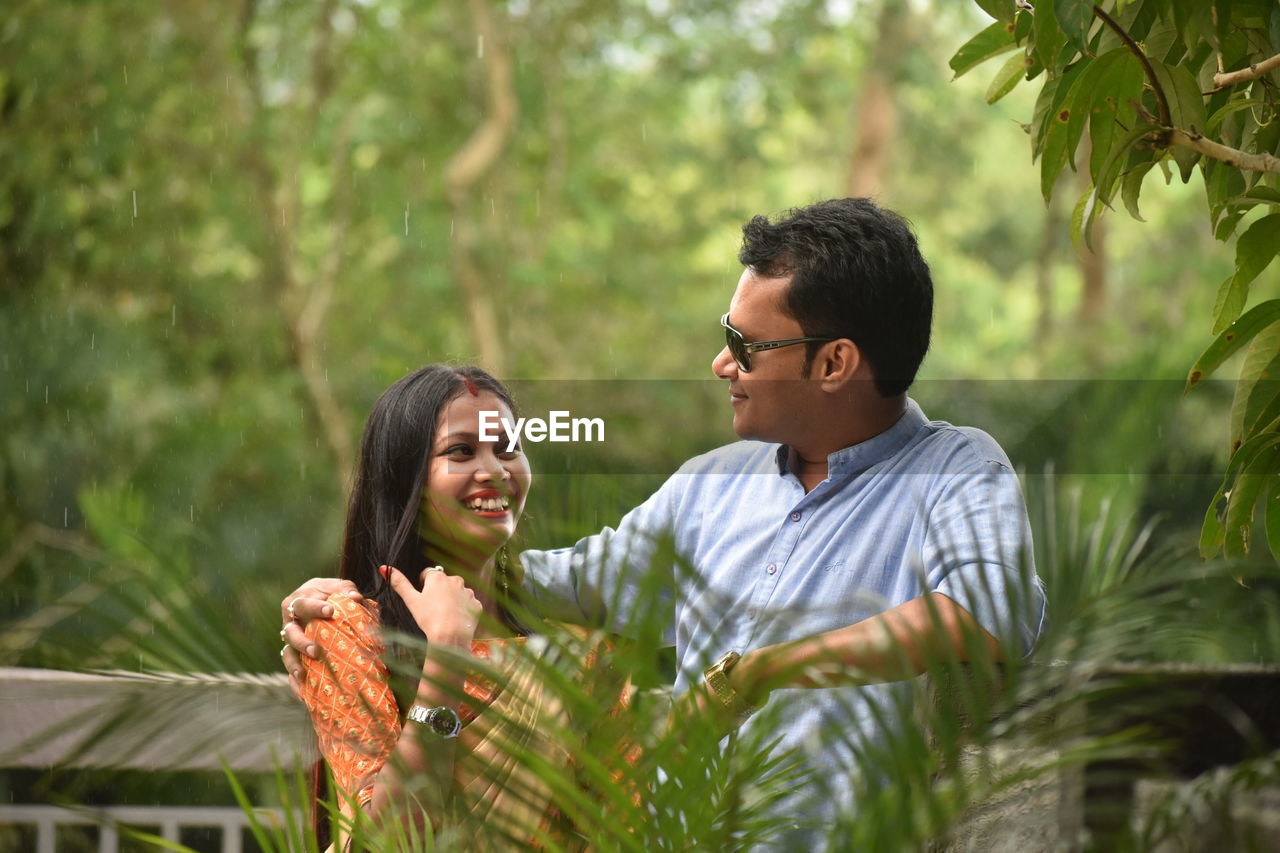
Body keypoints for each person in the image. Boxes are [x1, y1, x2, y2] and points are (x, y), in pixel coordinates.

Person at [283, 198, 1047, 848]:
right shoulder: (708, 487)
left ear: (834, 363)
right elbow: (554, 581)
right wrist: (359, 585)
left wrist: (761, 670)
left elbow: (987, 614)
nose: (722, 363)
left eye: (745, 345)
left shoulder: (957, 471)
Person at [291, 364, 632, 852]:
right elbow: (389, 840)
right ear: (405, 479)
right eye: (461, 451)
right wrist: (447, 654)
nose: (494, 470)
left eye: (508, 448)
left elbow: (627, 830)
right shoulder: (347, 632)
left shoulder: (579, 654)